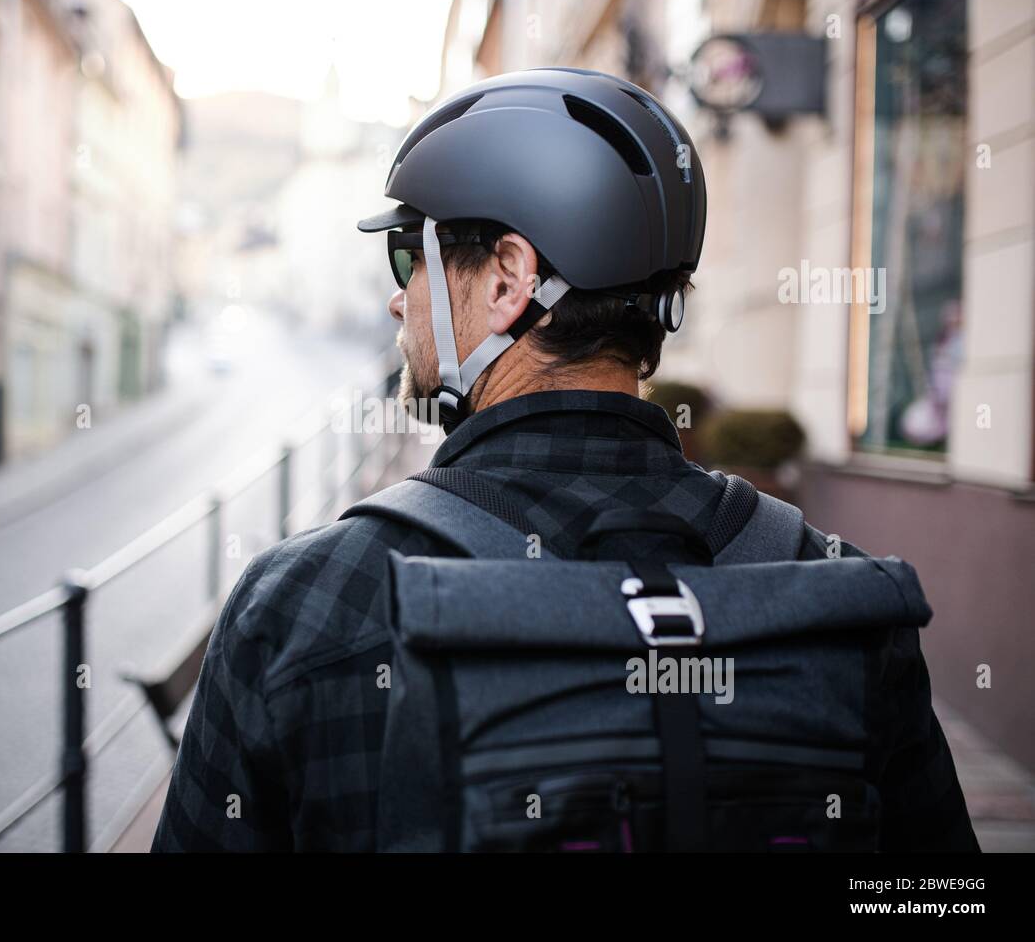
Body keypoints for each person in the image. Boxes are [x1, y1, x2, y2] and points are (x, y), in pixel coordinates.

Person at [151, 68, 977, 852]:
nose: (398, 297)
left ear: (510, 279)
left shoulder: (307, 604)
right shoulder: (839, 601)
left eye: (412, 256)